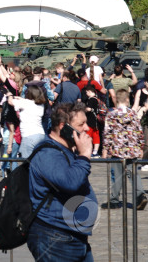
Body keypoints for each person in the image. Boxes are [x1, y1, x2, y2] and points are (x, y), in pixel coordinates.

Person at [27, 102, 97, 262]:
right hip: (55, 237)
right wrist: (85, 155)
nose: (87, 128)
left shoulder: (64, 150)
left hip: (72, 235)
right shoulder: (48, 154)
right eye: (81, 124)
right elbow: (70, 182)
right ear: (63, 127)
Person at [101, 88, 147, 210]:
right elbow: (139, 132)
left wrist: (105, 149)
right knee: (134, 174)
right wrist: (141, 146)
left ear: (115, 99)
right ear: (127, 100)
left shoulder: (111, 115)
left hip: (117, 149)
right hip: (132, 148)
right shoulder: (133, 114)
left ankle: (114, 199)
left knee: (118, 176)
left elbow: (107, 133)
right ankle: (140, 195)